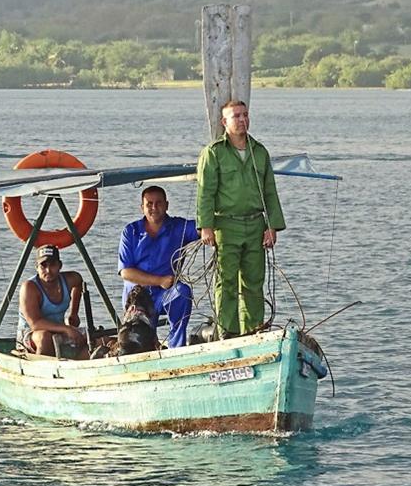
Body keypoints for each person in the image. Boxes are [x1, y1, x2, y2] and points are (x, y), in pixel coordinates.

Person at [196, 100, 286, 338]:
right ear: (224, 122)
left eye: (245, 115)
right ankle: (228, 332)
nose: (242, 120)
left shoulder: (259, 151)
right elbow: (205, 191)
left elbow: (269, 191)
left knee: (254, 281)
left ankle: (254, 330)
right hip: (226, 224)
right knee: (226, 282)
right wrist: (206, 226)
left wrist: (272, 226)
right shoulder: (214, 152)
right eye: (236, 116)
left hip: (255, 224)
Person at [118, 186, 200, 347]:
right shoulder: (131, 231)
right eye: (149, 204)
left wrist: (208, 230)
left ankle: (176, 347)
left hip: (165, 294)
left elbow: (203, 226)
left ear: (167, 205)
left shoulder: (178, 227)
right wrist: (159, 280)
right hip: (138, 297)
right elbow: (126, 272)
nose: (154, 208)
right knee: (139, 338)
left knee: (182, 291)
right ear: (142, 207)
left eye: (158, 203)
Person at [17, 245, 88, 358]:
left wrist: (74, 313)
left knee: (96, 338)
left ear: (60, 266)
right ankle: (40, 371)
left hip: (59, 330)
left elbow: (78, 281)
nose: (48, 271)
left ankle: (79, 364)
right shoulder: (29, 287)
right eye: (43, 266)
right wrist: (66, 329)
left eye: (53, 265)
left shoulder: (69, 279)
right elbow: (35, 324)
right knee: (45, 338)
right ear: (37, 267)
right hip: (31, 334)